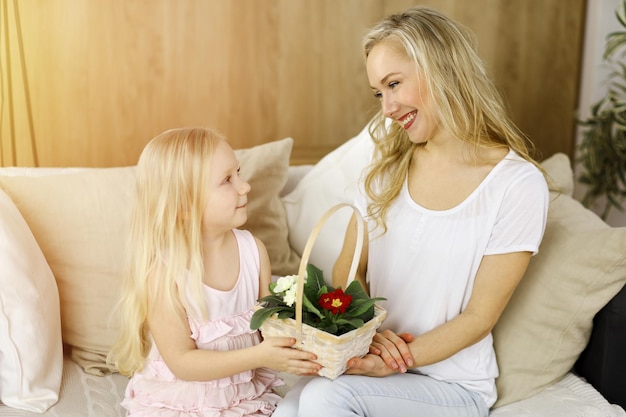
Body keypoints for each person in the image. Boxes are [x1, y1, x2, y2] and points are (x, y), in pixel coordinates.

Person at [273, 6, 549, 417]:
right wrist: (368, 341)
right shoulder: (384, 171)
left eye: (394, 84)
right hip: (373, 364)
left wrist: (394, 360)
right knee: (290, 401)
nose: (386, 108)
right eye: (378, 93)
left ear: (441, 69)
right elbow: (351, 278)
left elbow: (478, 317)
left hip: (452, 384)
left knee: (325, 397)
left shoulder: (517, 184)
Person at [107, 127, 321, 416]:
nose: (244, 187)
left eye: (239, 173)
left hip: (242, 395)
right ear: (183, 205)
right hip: (180, 401)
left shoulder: (253, 251)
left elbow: (271, 324)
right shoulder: (164, 273)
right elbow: (182, 361)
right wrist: (258, 355)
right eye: (226, 180)